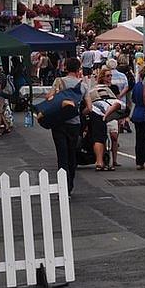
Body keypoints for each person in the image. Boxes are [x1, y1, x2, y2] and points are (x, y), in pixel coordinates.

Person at [46, 58, 89, 196]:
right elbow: (89, 107)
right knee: (72, 154)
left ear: (65, 67)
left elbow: (49, 97)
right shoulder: (83, 85)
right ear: (78, 69)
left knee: (62, 155)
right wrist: (79, 113)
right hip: (74, 123)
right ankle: (70, 185)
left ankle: (63, 187)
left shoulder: (59, 81)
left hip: (59, 122)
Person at [88, 67, 126, 171]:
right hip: (101, 113)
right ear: (102, 77)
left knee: (114, 136)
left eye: (110, 76)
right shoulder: (96, 89)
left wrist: (119, 118)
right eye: (108, 76)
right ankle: (103, 160)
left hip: (112, 113)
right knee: (102, 136)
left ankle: (114, 160)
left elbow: (117, 100)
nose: (110, 78)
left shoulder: (114, 88)